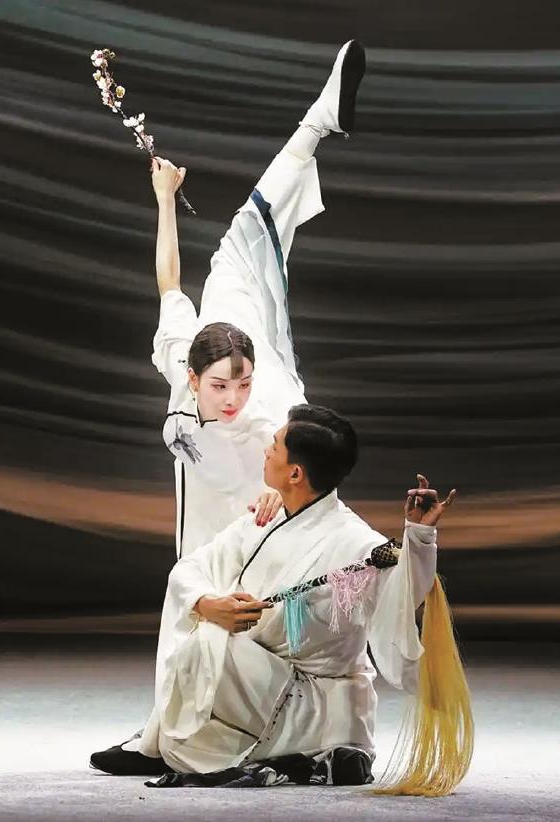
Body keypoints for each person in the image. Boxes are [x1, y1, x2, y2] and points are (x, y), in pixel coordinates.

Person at [91, 405, 472, 794]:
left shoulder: (353, 540)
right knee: (203, 637)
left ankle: (317, 749)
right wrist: (207, 603)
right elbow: (193, 567)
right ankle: (163, 741)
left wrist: (419, 538)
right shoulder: (267, 516)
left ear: (295, 474)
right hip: (258, 680)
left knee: (207, 644)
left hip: (313, 698)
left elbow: (403, 595)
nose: (266, 451)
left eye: (274, 445)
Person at [149, 40, 366, 557]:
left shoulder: (267, 405)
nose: (232, 399)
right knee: (203, 581)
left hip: (264, 504)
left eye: (240, 385)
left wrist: (283, 485)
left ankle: (316, 123)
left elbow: (314, 464)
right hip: (205, 521)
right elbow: (169, 281)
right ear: (193, 378)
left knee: (245, 235)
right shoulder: (180, 354)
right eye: (221, 387)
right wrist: (164, 200)